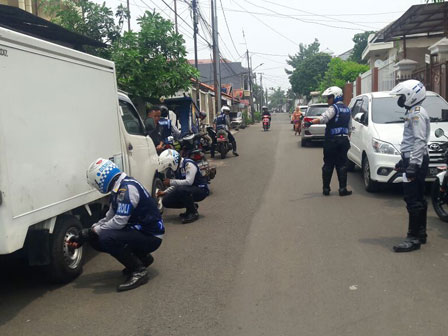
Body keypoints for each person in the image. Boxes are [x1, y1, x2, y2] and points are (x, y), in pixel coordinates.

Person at [68, 158, 165, 292]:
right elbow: (109, 217)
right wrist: (86, 234)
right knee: (96, 237)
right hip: (140, 231)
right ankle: (142, 258)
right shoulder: (119, 188)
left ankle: (139, 270)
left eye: (95, 184)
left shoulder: (127, 188)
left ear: (101, 178)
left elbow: (119, 221)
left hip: (151, 236)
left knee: (106, 238)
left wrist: (93, 231)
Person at [391, 80, 430, 253]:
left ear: (411, 96)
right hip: (415, 159)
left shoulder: (417, 113)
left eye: (401, 96)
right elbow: (412, 141)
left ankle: (413, 238)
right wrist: (404, 161)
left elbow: (419, 140)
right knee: (419, 198)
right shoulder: (414, 112)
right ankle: (420, 233)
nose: (399, 100)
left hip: (416, 160)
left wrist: (413, 163)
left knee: (412, 199)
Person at [304, 86, 352, 196]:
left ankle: (326, 189)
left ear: (336, 97)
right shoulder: (347, 109)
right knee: (342, 165)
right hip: (343, 140)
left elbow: (324, 118)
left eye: (329, 97)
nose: (328, 100)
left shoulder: (333, 108)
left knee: (328, 164)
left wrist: (311, 122)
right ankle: (342, 189)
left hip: (331, 141)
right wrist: (347, 140)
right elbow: (350, 128)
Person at [157, 149, 209, 223]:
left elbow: (189, 182)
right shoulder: (178, 168)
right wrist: (164, 192)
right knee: (166, 201)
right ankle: (190, 207)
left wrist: (171, 182)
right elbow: (177, 184)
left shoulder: (188, 164)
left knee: (181, 190)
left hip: (201, 190)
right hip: (188, 190)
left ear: (173, 162)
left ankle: (193, 213)